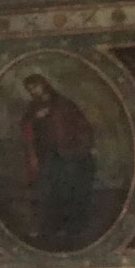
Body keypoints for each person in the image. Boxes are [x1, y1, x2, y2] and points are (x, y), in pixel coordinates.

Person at [20, 73, 96, 251]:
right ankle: (52, 228)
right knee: (49, 191)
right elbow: (26, 127)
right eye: (30, 89)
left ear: (44, 84)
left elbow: (82, 126)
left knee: (70, 189)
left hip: (70, 154)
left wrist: (84, 146)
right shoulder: (33, 108)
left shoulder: (63, 104)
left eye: (35, 86)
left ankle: (73, 228)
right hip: (48, 155)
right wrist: (35, 118)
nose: (33, 91)